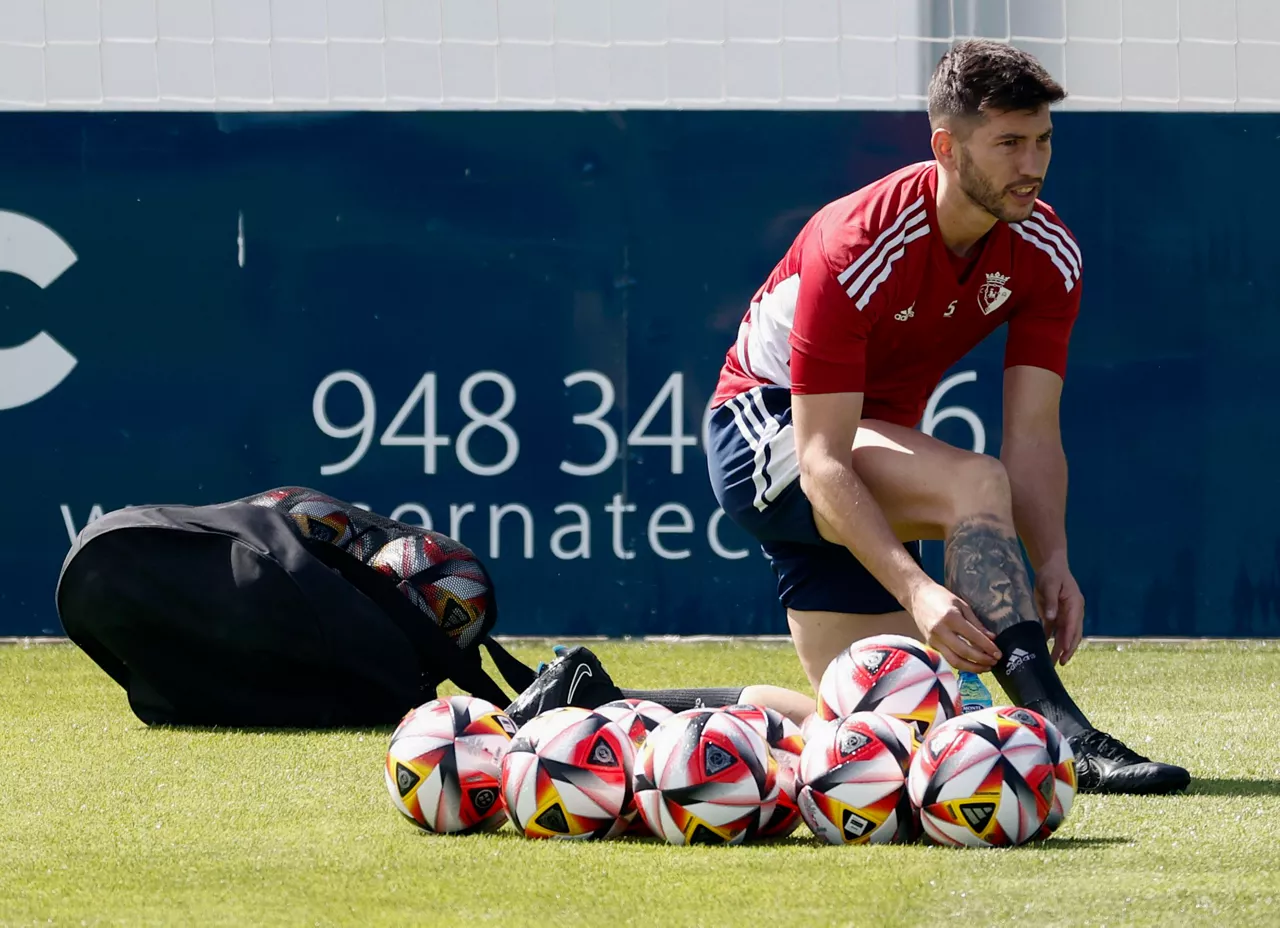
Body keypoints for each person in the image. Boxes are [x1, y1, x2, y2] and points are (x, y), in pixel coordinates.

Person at [701, 39, 1189, 795]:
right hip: (765, 436)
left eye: (1044, 142)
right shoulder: (854, 242)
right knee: (972, 482)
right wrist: (916, 590)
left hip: (858, 453)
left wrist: (1052, 559)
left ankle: (606, 709)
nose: (1033, 164)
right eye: (1009, 144)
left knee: (894, 733)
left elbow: (1033, 433)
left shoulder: (1047, 249)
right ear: (946, 147)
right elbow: (822, 458)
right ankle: (1070, 737)